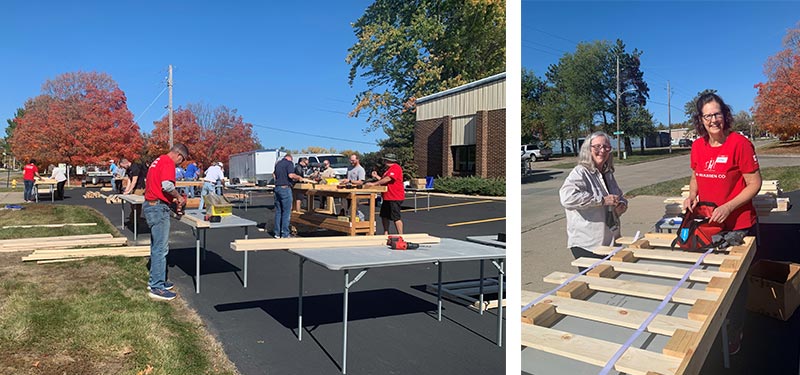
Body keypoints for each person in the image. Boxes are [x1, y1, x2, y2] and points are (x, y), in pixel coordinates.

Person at [682, 92, 761, 355]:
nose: (714, 120)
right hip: (710, 225)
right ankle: (715, 326)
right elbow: (696, 176)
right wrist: (692, 195)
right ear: (701, 120)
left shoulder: (739, 143)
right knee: (712, 279)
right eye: (708, 116)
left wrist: (728, 206)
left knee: (735, 286)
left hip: (738, 225)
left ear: (725, 114)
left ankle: (735, 330)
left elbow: (754, 184)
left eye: (717, 114)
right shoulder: (698, 146)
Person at [559, 131, 628, 262]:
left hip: (611, 241)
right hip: (588, 245)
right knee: (594, 281)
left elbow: (619, 195)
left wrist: (622, 204)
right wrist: (602, 200)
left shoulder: (607, 174)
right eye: (597, 146)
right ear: (588, 149)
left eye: (606, 147)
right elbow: (567, 198)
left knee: (612, 280)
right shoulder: (580, 172)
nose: (602, 150)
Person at [143, 143, 189, 301]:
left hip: (151, 204)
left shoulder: (158, 160)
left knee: (156, 246)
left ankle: (156, 280)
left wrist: (172, 199)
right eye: (181, 161)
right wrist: (179, 196)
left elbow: (158, 186)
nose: (179, 164)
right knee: (161, 248)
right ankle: (157, 286)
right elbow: (167, 185)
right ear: (179, 155)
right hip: (157, 208)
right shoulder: (168, 162)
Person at [365, 153, 405, 235]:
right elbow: (383, 180)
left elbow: (388, 179)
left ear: (390, 160)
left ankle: (400, 235)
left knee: (396, 217)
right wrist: (377, 177)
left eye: (385, 160)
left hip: (395, 197)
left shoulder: (396, 168)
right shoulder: (388, 170)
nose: (384, 161)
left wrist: (374, 184)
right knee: (384, 216)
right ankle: (386, 233)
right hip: (387, 197)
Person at [273, 154, 303, 238]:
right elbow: (291, 175)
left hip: (277, 188)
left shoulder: (278, 163)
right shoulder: (289, 163)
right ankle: (285, 233)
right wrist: (298, 177)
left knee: (279, 211)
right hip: (285, 188)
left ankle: (277, 233)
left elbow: (274, 175)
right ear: (290, 159)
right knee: (286, 212)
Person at [121, 158, 148, 223]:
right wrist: (126, 190)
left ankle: (135, 221)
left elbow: (134, 181)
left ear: (126, 163)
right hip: (134, 188)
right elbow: (129, 180)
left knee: (136, 206)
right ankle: (133, 220)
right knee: (132, 205)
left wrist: (129, 190)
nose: (123, 168)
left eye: (123, 166)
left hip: (139, 187)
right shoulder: (128, 169)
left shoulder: (135, 167)